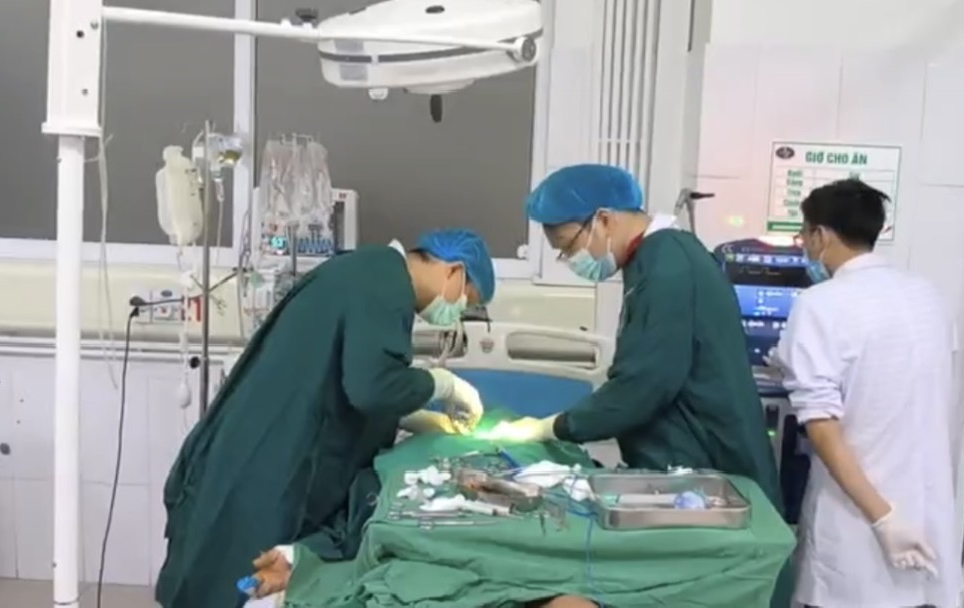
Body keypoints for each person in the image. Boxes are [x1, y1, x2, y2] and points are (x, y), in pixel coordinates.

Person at [495, 163, 793, 608]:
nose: (568, 259)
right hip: (684, 461)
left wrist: (552, 427)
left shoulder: (669, 267)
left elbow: (642, 386)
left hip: (707, 466)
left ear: (604, 219)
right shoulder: (657, 260)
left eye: (567, 246)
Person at [155, 228, 495, 608]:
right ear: (454, 272)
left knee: (220, 559)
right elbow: (370, 387)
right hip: (273, 458)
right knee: (240, 571)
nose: (456, 313)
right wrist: (441, 384)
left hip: (260, 440)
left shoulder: (368, 271)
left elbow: (339, 377)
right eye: (465, 301)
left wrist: (407, 416)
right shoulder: (385, 286)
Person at [772, 178, 960, 608]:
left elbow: (823, 428)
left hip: (862, 525)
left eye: (804, 234)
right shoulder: (927, 295)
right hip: (927, 516)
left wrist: (883, 518)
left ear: (820, 235)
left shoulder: (821, 303)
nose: (804, 246)